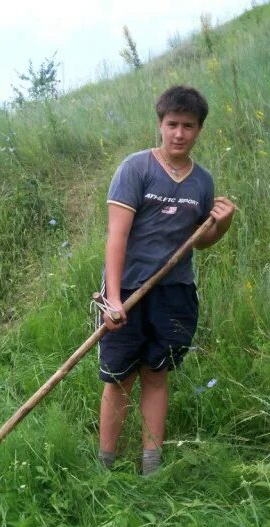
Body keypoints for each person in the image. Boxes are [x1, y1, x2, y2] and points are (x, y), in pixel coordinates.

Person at [97, 85, 236, 475]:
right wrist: (112, 299)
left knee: (156, 374)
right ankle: (105, 466)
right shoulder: (135, 169)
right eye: (172, 124)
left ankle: (151, 466)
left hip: (174, 293)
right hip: (126, 290)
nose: (179, 133)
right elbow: (116, 237)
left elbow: (200, 241)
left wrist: (221, 225)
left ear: (199, 131)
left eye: (188, 126)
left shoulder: (202, 182)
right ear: (160, 124)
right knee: (118, 377)